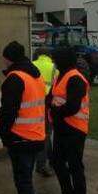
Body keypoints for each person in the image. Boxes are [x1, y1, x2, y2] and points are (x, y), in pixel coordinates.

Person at [0, 41, 47, 194]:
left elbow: (9, 110)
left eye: (4, 58)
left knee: (24, 182)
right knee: (23, 179)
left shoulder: (15, 78)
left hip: (20, 137)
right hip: (35, 135)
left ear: (9, 59)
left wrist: (3, 132)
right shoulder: (35, 76)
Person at [48, 46, 90, 194]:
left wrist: (54, 110)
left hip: (75, 129)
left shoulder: (75, 79)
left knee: (75, 166)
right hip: (62, 128)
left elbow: (73, 106)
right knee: (57, 161)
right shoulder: (61, 76)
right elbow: (52, 96)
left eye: (56, 59)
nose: (54, 62)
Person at [32, 48, 57, 177]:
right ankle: (40, 165)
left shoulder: (32, 64)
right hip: (47, 105)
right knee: (46, 135)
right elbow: (58, 87)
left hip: (33, 105)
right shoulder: (54, 68)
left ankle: (53, 161)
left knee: (44, 135)